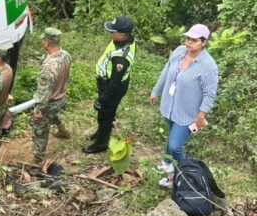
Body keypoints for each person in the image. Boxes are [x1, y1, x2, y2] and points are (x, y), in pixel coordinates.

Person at [149, 24, 218, 188]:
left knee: (175, 145)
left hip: (188, 113)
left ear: (204, 42)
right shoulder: (179, 51)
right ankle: (167, 162)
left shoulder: (208, 66)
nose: (189, 42)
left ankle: (184, 174)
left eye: (194, 40)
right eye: (188, 38)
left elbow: (209, 93)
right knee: (172, 135)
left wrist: (201, 116)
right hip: (170, 106)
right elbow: (166, 71)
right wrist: (155, 91)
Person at [83, 16, 136, 154]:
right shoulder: (123, 40)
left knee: (105, 114)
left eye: (113, 32)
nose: (110, 34)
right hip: (110, 82)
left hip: (113, 87)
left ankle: (101, 144)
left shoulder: (121, 59)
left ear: (122, 35)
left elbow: (114, 83)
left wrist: (101, 99)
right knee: (105, 112)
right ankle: (101, 132)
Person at [32, 28, 72, 162]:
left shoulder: (49, 67)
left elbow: (44, 92)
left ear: (46, 43)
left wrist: (38, 111)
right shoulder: (66, 55)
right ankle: (63, 131)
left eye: (43, 40)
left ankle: (38, 157)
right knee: (54, 113)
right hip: (61, 96)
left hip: (50, 101)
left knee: (40, 131)